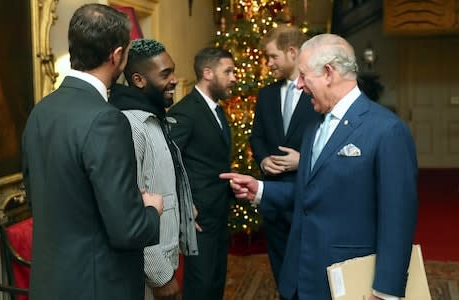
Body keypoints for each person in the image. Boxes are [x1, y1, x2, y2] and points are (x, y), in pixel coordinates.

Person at [220, 33, 418, 300]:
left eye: (304, 76)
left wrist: (385, 291)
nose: (299, 85)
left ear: (328, 73)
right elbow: (310, 193)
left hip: (350, 278)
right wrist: (261, 191)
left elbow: (398, 218)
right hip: (301, 274)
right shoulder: (314, 126)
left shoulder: (387, 130)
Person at [21, 4, 163, 300]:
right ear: (117, 56)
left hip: (52, 284)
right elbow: (129, 230)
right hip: (98, 286)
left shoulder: (41, 111)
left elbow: (44, 198)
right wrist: (152, 209)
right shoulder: (106, 120)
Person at [108, 38, 198, 300]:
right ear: (138, 80)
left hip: (165, 258)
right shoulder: (130, 125)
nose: (174, 80)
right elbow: (131, 205)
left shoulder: (154, 116)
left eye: (173, 70)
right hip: (147, 272)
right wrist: (161, 276)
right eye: (165, 74)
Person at [249, 24, 320, 285]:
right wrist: (263, 159)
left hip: (307, 195)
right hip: (273, 199)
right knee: (280, 268)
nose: (268, 63)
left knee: (308, 268)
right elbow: (256, 136)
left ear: (292, 52)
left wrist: (302, 161)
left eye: (272, 56)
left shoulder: (317, 93)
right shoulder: (266, 95)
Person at [167, 47, 236, 300]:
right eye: (227, 71)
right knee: (200, 286)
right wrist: (182, 205)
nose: (234, 77)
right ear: (207, 73)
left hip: (218, 212)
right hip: (198, 218)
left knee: (215, 282)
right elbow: (165, 160)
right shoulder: (185, 111)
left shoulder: (216, 110)